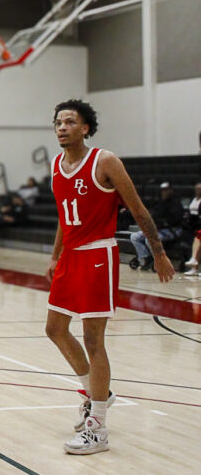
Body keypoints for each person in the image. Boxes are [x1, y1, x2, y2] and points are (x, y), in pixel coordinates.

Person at [45, 99, 174, 456]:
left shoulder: (105, 162)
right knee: (54, 329)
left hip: (98, 255)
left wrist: (159, 253)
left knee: (93, 338)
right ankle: (97, 392)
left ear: (85, 128)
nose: (62, 127)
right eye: (58, 122)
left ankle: (98, 426)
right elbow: (61, 215)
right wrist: (56, 256)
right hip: (70, 256)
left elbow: (138, 209)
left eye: (70, 122)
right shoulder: (56, 164)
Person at [129, 182, 183, 271]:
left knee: (149, 240)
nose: (164, 192)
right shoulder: (160, 203)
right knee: (134, 237)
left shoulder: (176, 203)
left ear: (171, 191)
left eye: (166, 190)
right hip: (157, 229)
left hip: (170, 230)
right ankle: (145, 257)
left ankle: (158, 259)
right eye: (162, 190)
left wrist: (161, 223)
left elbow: (175, 220)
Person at [184, 182, 201, 277]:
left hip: (197, 226)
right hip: (193, 225)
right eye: (197, 188)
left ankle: (194, 259)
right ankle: (194, 265)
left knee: (198, 235)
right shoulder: (193, 199)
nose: (198, 190)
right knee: (198, 235)